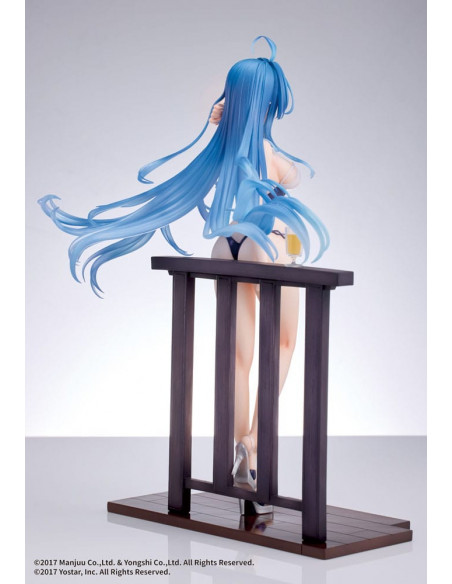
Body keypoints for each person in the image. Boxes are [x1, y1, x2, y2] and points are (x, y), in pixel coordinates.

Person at [39, 36, 329, 514]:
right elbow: (296, 176)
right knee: (281, 345)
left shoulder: (221, 147)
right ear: (267, 100)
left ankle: (243, 459)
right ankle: (254, 446)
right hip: (267, 243)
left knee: (237, 357)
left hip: (227, 245)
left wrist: (220, 120)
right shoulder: (268, 153)